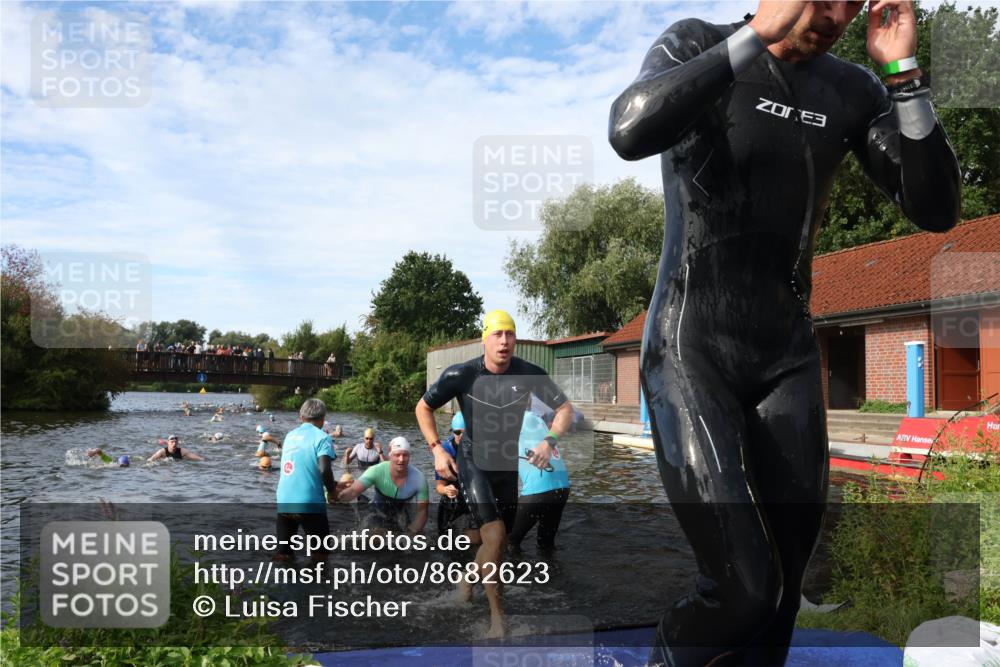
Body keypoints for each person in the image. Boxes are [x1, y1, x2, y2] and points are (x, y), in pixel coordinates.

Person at [608, 1, 960, 664]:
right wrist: (755, 38)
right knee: (743, 586)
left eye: (851, 1)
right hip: (692, 348)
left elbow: (937, 208)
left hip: (785, 356)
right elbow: (628, 129)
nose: (835, 13)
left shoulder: (851, 88)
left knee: (784, 591)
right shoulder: (699, 42)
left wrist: (905, 75)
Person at [416, 310, 575, 638]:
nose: (504, 341)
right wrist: (437, 449)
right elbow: (423, 407)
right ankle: (498, 622)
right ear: (485, 339)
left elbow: (565, 409)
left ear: (516, 339)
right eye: (497, 335)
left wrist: (550, 440)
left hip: (505, 469)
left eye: (510, 335)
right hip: (474, 463)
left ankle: (466, 580)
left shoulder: (530, 374)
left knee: (494, 546)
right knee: (496, 536)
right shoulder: (462, 374)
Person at [274, 398, 341, 563]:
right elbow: (324, 469)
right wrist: (332, 492)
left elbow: (301, 470)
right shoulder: (323, 437)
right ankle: (318, 586)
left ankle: (281, 585)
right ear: (323, 418)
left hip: (284, 501)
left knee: (284, 554)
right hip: (309, 504)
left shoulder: (289, 436)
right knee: (321, 554)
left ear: (301, 417)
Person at [337, 437, 429, 536]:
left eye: (405, 455)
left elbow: (422, 511)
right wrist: (337, 496)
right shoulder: (377, 471)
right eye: (397, 455)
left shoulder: (419, 478)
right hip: (377, 513)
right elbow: (353, 491)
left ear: (410, 456)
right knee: (377, 537)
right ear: (390, 454)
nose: (401, 459)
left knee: (419, 538)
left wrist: (413, 531)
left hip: (403, 516)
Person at [508, 410, 570, 554]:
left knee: (508, 541)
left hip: (539, 490)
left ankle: (513, 573)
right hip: (562, 488)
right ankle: (552, 573)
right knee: (546, 545)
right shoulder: (535, 418)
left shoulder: (511, 418)